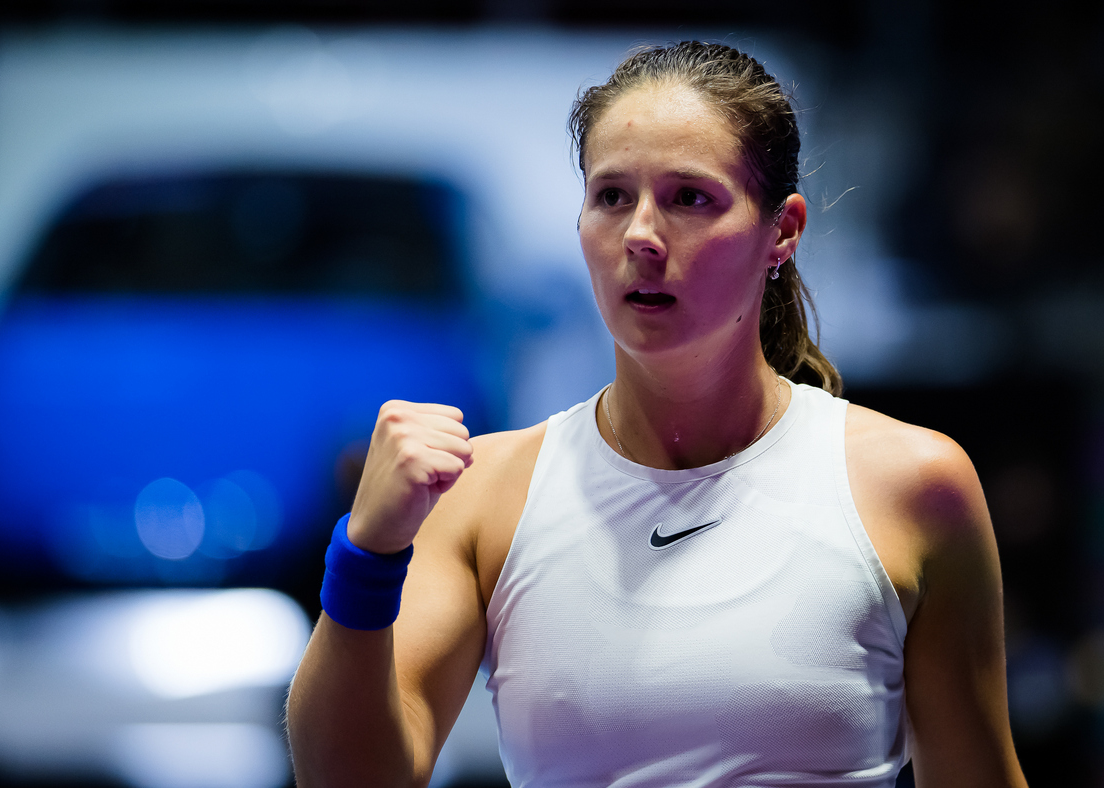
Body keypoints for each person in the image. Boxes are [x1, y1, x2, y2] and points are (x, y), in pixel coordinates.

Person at [287, 41, 1028, 788]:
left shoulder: (913, 485)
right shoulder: (483, 497)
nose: (641, 234)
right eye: (612, 197)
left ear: (782, 231)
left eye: (689, 198)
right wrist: (367, 552)